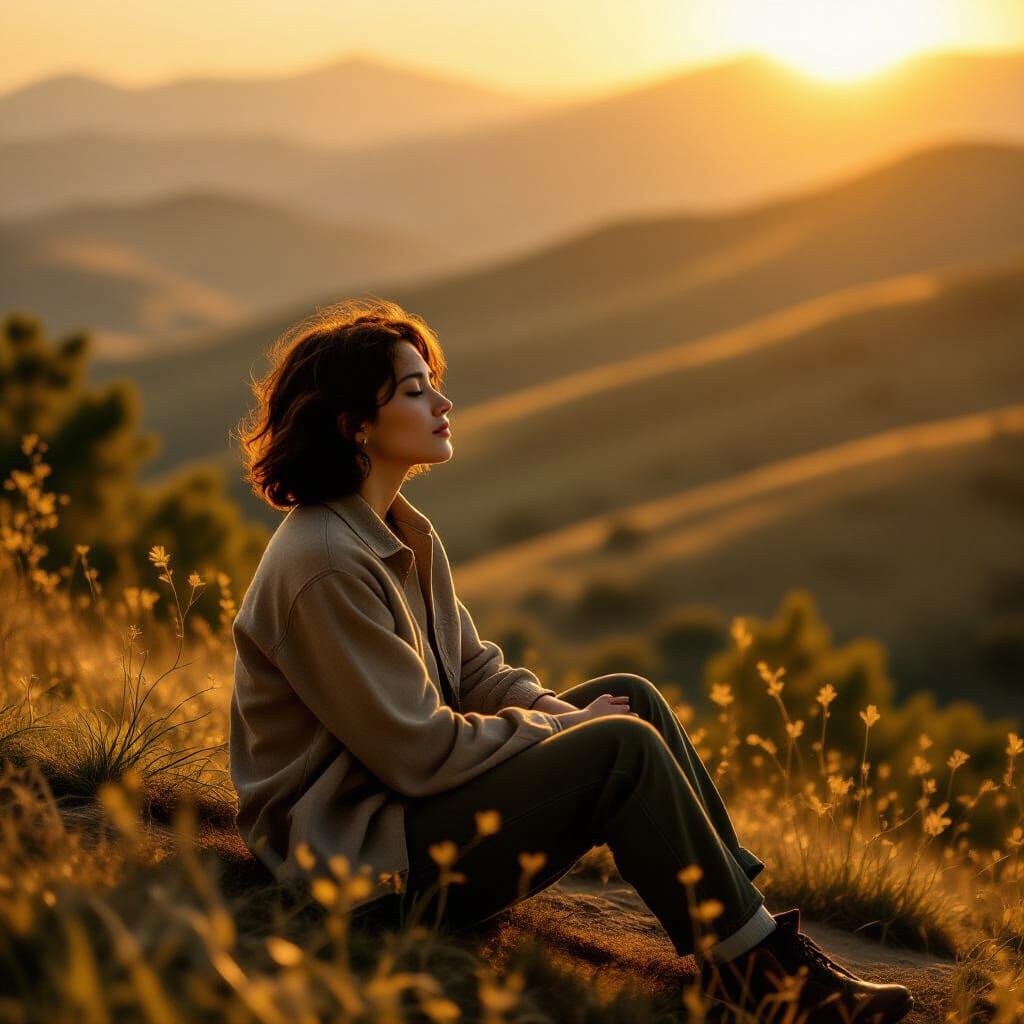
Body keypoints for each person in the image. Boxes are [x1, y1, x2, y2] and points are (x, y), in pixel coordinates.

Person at [228, 298, 914, 1022]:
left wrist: (559, 711)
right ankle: (762, 982)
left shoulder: (394, 530)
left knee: (631, 697)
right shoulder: (327, 563)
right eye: (413, 389)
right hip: (360, 866)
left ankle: (756, 939)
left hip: (404, 821)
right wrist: (565, 731)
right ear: (354, 426)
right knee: (618, 745)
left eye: (432, 380)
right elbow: (419, 750)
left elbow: (475, 671)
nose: (442, 400)